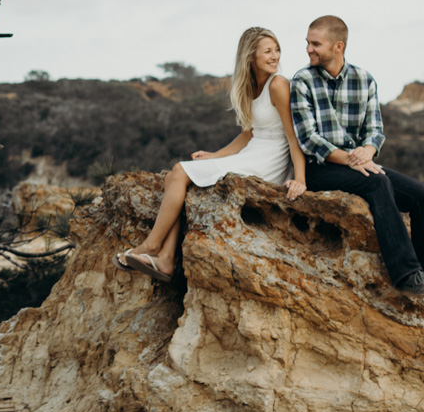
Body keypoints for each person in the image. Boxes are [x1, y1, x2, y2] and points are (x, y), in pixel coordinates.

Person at [290, 15, 424, 308]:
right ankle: (407, 275)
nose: (309, 49)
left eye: (315, 44)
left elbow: (375, 130)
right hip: (320, 168)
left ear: (338, 46)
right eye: (308, 43)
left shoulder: (364, 79)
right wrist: (351, 159)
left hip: (359, 162)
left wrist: (368, 150)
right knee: (378, 182)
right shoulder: (302, 80)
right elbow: (308, 139)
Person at [117, 27, 307, 282]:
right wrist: (215, 156)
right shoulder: (252, 86)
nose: (275, 57)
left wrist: (300, 179)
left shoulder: (278, 84)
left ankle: (151, 247)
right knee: (175, 178)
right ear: (250, 56)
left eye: (277, 50)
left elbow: (293, 137)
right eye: (268, 51)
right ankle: (166, 258)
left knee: (179, 172)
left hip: (268, 160)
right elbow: (248, 135)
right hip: (253, 152)